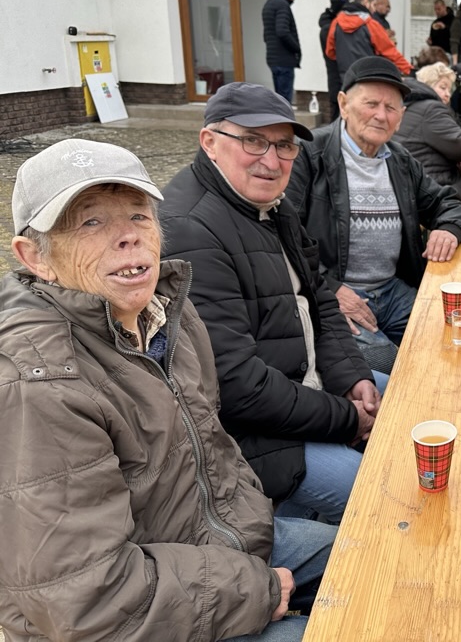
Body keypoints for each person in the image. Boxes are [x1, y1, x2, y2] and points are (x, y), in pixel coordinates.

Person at [0, 138, 338, 641]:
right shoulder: (39, 385)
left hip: (224, 545)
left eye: (139, 215)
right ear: (35, 258)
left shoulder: (166, 314)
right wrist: (256, 589)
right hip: (136, 616)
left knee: (379, 558)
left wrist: (248, 525)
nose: (127, 237)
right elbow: (88, 602)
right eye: (90, 222)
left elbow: (214, 442)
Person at [160, 82, 382, 525]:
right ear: (209, 142)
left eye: (284, 145)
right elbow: (236, 386)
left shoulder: (270, 205)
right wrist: (345, 418)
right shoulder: (189, 229)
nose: (272, 160)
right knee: (379, 492)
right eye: (253, 141)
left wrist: (352, 376)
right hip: (249, 437)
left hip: (304, 385)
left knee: (406, 398)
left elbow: (319, 299)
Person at [286, 56, 461, 363]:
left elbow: (448, 203)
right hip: (333, 293)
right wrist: (329, 289)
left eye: (391, 108)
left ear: (401, 116)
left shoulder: (400, 160)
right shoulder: (308, 153)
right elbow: (283, 235)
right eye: (370, 104)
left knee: (452, 337)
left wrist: (448, 229)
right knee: (386, 364)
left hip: (392, 291)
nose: (381, 115)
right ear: (344, 104)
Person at [393, 61, 461, 204]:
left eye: (450, 89)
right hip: (435, 188)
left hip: (408, 184)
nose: (448, 94)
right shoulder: (431, 109)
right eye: (443, 87)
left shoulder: (408, 104)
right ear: (427, 86)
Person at [324, 0, 411, 86]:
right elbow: (390, 52)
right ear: (366, 2)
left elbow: (330, 52)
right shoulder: (370, 24)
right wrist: (408, 69)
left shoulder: (336, 23)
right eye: (374, 5)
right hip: (368, 80)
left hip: (347, 81)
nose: (374, 10)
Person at [262, 0, 301, 103]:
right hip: (284, 59)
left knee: (279, 99)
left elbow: (266, 35)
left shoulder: (269, 4)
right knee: (284, 100)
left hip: (274, 59)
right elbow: (282, 32)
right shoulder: (282, 5)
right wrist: (296, 48)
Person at [318, 0, 347, 122]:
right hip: (337, 76)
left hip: (335, 76)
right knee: (337, 114)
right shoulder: (330, 29)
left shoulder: (328, 27)